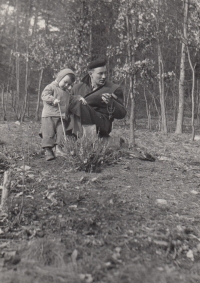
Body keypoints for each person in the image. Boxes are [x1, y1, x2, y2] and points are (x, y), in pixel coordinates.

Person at [67, 58, 127, 137]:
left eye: (105, 73)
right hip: (79, 124)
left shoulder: (113, 88)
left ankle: (83, 139)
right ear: (90, 74)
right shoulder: (77, 88)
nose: (104, 76)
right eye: (100, 73)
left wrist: (111, 103)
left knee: (80, 104)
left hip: (102, 124)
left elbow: (122, 113)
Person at [40, 68, 76, 161]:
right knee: (49, 133)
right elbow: (44, 95)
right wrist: (53, 99)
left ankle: (59, 149)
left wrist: (79, 98)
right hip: (49, 115)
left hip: (61, 116)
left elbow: (72, 99)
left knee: (61, 132)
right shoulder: (51, 87)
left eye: (69, 84)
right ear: (60, 78)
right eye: (65, 82)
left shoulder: (67, 93)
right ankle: (48, 150)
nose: (66, 85)